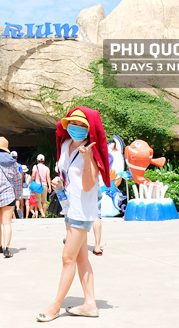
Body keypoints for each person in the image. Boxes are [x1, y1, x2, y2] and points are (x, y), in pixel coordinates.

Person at [37, 107, 110, 322]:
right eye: (73, 123)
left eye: (81, 125)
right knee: (81, 258)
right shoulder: (66, 144)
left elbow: (88, 186)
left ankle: (55, 306)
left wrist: (87, 160)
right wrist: (59, 180)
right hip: (68, 206)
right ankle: (90, 304)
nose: (76, 127)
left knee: (67, 258)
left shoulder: (91, 150)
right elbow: (66, 171)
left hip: (82, 211)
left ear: (89, 128)